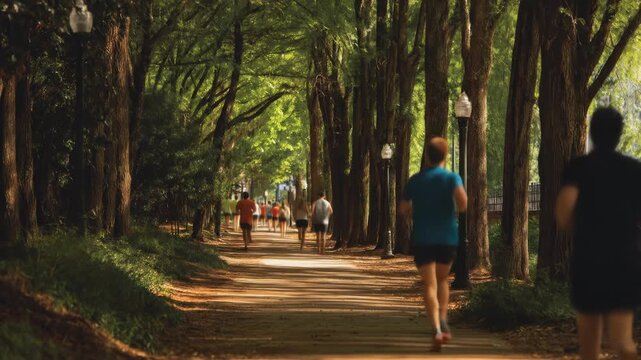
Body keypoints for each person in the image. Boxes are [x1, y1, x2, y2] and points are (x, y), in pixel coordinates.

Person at [556, 107, 641, 360]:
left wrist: (580, 228)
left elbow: (564, 211)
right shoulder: (634, 170)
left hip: (589, 259)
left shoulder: (579, 167)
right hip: (626, 260)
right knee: (622, 340)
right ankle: (627, 350)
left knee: (590, 346)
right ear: (618, 134)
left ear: (592, 132)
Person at [399, 137, 467, 352]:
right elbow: (463, 204)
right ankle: (444, 319)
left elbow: (403, 209)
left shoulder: (415, 180)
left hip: (423, 238)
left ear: (427, 155)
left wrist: (415, 210)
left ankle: (436, 328)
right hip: (447, 237)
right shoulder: (452, 178)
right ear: (445, 155)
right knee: (443, 280)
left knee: (429, 284)